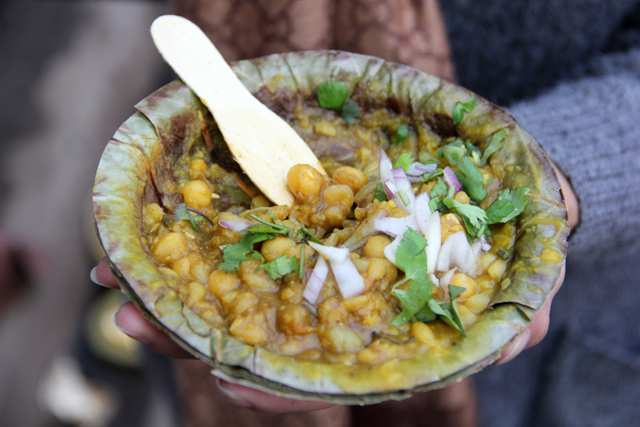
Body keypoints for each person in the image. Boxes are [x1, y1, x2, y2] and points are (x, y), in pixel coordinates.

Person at [92, 0, 639, 425]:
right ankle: (96, 362)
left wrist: (555, 179)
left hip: (544, 356)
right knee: (139, 331)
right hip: (213, 103)